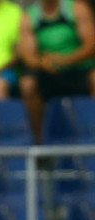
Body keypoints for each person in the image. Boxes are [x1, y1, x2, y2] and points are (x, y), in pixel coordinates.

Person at [18, 0, 95, 139]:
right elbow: (28, 56)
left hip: (79, 69)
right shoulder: (29, 16)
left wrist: (66, 60)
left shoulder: (77, 8)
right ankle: (39, 140)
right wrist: (43, 62)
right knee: (27, 85)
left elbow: (91, 45)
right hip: (48, 72)